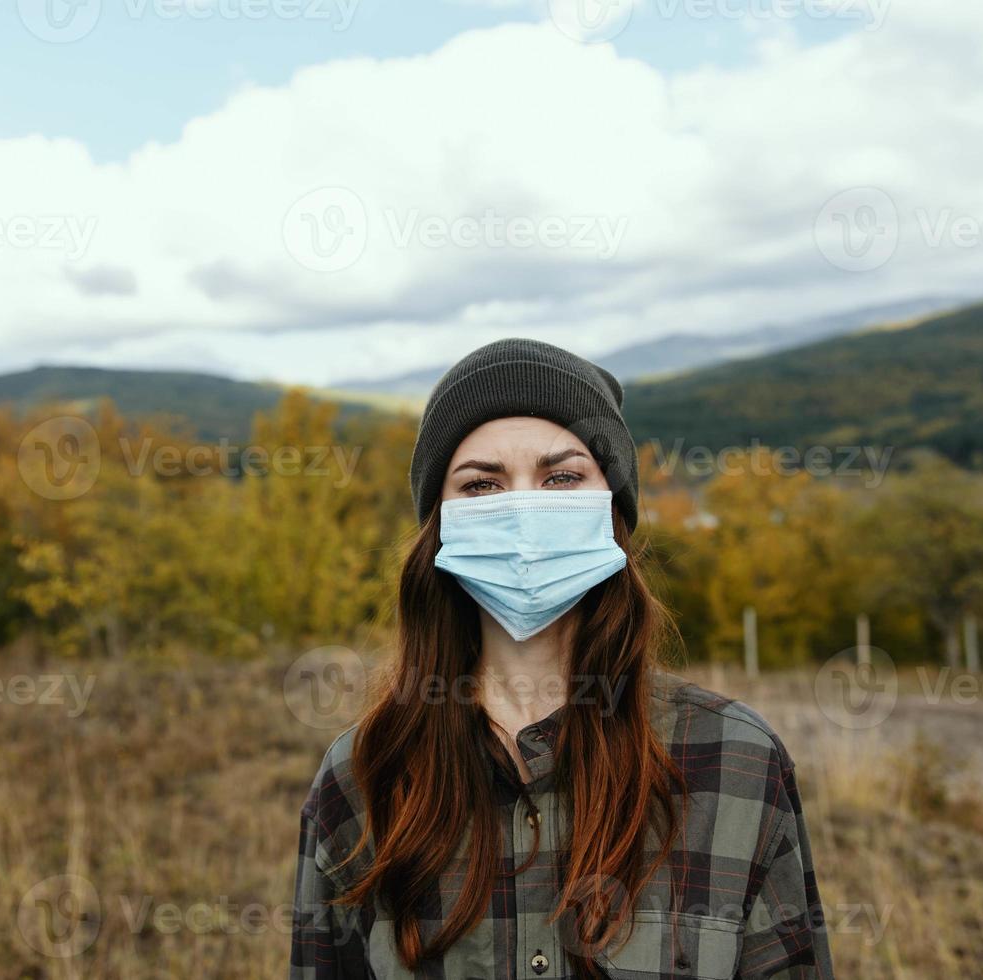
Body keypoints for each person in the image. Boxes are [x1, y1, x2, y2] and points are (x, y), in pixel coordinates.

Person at [290, 338, 832, 979]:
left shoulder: (736, 761)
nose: (523, 509)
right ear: (441, 523)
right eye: (482, 485)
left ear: (612, 511)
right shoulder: (362, 778)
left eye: (562, 477)